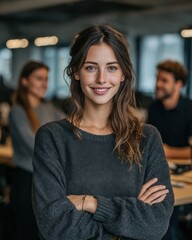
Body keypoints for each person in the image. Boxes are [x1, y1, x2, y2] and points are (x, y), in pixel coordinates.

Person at [32, 25, 174, 240]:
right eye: (90, 67)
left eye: (111, 68)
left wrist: (90, 203)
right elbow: (54, 227)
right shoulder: (52, 138)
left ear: (123, 74)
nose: (101, 79)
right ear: (76, 72)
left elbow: (155, 225)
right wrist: (130, 219)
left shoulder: (147, 138)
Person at [9, 60, 65, 240]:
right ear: (25, 81)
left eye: (46, 79)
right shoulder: (17, 111)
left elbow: (72, 130)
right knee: (27, 232)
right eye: (39, 78)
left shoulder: (49, 108)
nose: (44, 84)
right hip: (26, 181)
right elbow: (34, 145)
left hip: (47, 181)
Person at [147, 60, 192, 159]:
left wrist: (169, 152)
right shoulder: (153, 108)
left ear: (178, 84)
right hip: (158, 166)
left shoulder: (190, 109)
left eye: (164, 80)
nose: (158, 84)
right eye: (157, 79)